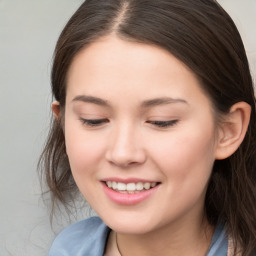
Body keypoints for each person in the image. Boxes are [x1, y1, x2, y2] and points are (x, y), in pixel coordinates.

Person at [39, 0, 256, 255]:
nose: (122, 153)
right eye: (93, 119)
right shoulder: (67, 249)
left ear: (228, 130)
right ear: (62, 122)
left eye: (161, 121)